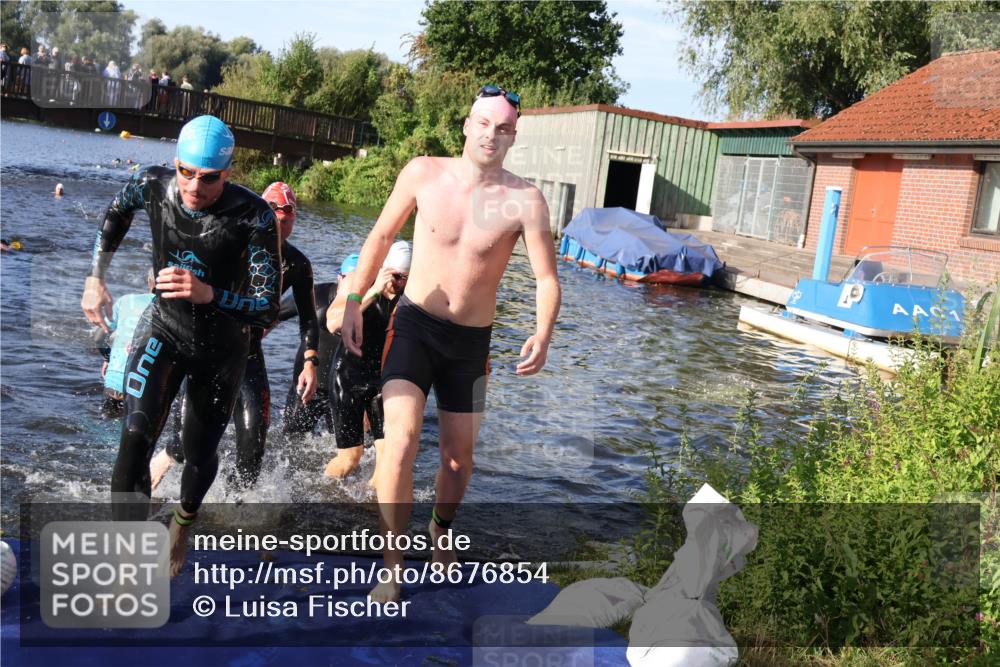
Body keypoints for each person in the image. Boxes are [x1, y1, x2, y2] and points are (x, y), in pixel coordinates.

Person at [338, 85, 561, 602]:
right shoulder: (423, 173)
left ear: (513, 136)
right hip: (413, 327)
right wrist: (353, 300)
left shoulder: (525, 200)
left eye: (503, 128)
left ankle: (440, 527)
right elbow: (379, 236)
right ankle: (392, 564)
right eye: (483, 123)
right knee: (401, 441)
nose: (491, 134)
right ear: (467, 124)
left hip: (472, 345)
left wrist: (543, 332)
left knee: (459, 461)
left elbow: (547, 278)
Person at [80, 114, 281, 576]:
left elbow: (266, 309)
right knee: (134, 436)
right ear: (175, 165)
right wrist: (96, 276)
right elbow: (114, 215)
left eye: (208, 178)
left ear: (227, 173)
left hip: (222, 348)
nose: (194, 186)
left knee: (197, 452)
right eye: (186, 172)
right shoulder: (152, 185)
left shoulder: (253, 216)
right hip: (163, 331)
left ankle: (182, 526)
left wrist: (211, 294)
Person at [147, 182, 319, 491]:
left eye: (288, 216)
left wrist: (310, 363)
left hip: (248, 355)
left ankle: (230, 513)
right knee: (183, 446)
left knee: (253, 448)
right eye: (274, 215)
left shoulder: (297, 264)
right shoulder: (230, 243)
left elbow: (309, 320)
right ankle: (165, 467)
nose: (281, 222)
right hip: (208, 352)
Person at [324, 242, 410, 480]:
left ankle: (371, 510)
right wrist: (373, 293)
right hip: (348, 377)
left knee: (388, 457)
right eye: (396, 276)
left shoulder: (409, 297)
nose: (400, 283)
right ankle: (322, 492)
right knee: (350, 458)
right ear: (384, 269)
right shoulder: (359, 284)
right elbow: (332, 323)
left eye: (406, 278)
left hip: (383, 381)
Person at [281, 253, 358, 438]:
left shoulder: (370, 306)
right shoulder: (317, 296)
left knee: (346, 451)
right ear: (339, 277)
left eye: (361, 281)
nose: (353, 286)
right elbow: (272, 317)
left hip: (343, 391)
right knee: (290, 442)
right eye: (348, 279)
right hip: (308, 386)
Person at [93, 269, 156, 417]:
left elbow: (98, 337)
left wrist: (108, 358)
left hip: (114, 380)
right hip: (142, 385)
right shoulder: (171, 309)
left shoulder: (126, 300)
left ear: (149, 282)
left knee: (108, 423)